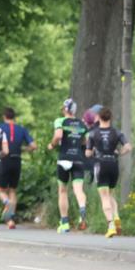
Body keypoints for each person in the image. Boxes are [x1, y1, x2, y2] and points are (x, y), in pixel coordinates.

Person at [86, 107, 132, 238]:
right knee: (111, 193)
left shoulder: (93, 133)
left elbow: (88, 153)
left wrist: (92, 151)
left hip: (101, 165)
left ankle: (111, 225)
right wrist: (119, 153)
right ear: (110, 118)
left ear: (99, 118)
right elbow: (128, 147)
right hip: (113, 164)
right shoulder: (116, 132)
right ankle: (116, 216)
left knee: (104, 196)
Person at [48, 98, 89, 234]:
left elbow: (59, 135)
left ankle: (64, 223)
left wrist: (52, 144)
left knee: (63, 190)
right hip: (78, 159)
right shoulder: (82, 124)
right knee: (78, 189)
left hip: (64, 159)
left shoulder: (60, 121)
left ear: (66, 109)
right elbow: (87, 141)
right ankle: (82, 209)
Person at [0, 107, 37, 229]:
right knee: (13, 190)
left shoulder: (0, 128)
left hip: (4, 161)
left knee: (0, 190)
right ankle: (11, 219)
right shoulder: (22, 129)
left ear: (4, 117)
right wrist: (23, 149)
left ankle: (7, 205)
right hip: (16, 161)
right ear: (14, 117)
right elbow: (34, 146)